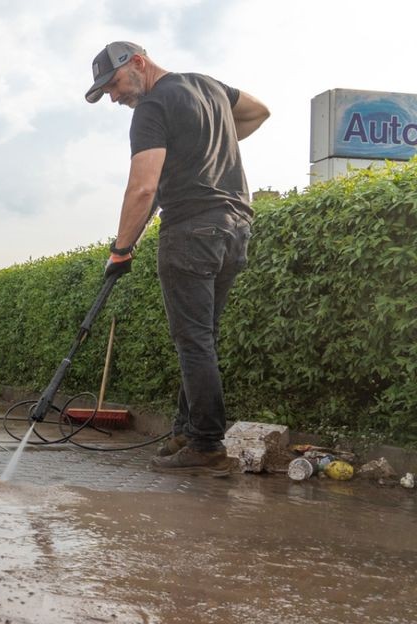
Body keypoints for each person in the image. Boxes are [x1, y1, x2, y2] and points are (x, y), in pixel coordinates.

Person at [86, 41, 270, 475]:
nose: (114, 96)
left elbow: (144, 188)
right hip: (235, 229)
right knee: (201, 336)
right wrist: (208, 139)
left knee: (193, 340)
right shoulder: (210, 88)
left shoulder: (151, 108)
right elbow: (260, 110)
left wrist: (120, 249)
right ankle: (187, 433)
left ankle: (207, 446)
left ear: (139, 63)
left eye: (113, 84)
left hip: (191, 230)